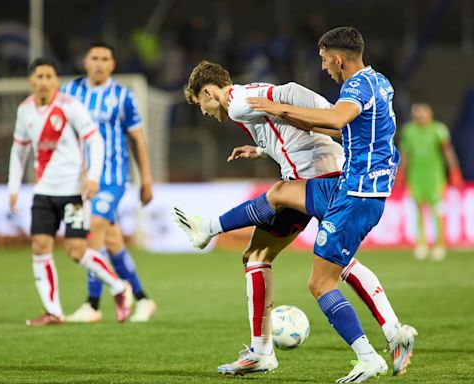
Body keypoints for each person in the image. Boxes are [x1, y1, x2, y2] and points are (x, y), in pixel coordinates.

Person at [173, 54, 416, 382]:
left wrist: (328, 116)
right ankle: (392, 331)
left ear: (208, 92)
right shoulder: (245, 101)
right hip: (326, 170)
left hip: (318, 176)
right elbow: (283, 125)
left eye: (199, 103)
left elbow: (288, 94)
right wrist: (261, 149)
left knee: (279, 202)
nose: (202, 111)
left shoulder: (236, 101)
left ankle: (208, 230)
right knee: (284, 257)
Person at [7, 57, 132, 326]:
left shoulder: (69, 106)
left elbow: (95, 140)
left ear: (56, 80)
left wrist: (94, 178)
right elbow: (19, 151)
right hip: (43, 192)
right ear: (31, 81)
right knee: (40, 246)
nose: (43, 81)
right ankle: (53, 311)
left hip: (73, 191)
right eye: (38, 76)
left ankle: (119, 287)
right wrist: (13, 187)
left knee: (76, 251)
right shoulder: (25, 110)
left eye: (48, 76)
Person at [61, 42, 156, 323]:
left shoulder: (122, 96)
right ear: (85, 61)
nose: (99, 63)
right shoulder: (69, 93)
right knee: (113, 242)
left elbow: (137, 140)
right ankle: (143, 299)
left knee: (93, 234)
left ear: (113, 64)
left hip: (112, 179)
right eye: (94, 58)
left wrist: (146, 180)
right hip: (79, 179)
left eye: (105, 58)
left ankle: (92, 305)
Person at [399, 102, 463, 261]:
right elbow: (405, 154)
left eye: (423, 112)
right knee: (419, 209)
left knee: (437, 210)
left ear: (430, 113)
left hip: (435, 176)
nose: (420, 116)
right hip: (416, 176)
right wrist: (401, 172)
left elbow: (447, 151)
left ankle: (440, 244)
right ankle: (421, 244)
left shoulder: (438, 130)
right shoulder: (409, 131)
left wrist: (454, 170)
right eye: (417, 113)